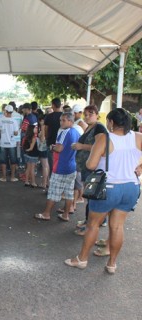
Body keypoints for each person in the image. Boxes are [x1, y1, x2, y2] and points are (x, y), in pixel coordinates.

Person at [65, 108, 142, 274]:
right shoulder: (138, 137)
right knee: (117, 227)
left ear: (112, 122)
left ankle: (82, 259)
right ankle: (112, 264)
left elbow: (91, 165)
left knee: (93, 225)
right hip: (131, 187)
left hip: (108, 187)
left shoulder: (105, 139)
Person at [34, 112, 80, 221]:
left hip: (60, 166)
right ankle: (66, 215)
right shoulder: (76, 132)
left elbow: (59, 149)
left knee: (53, 192)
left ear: (70, 121)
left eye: (63, 120)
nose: (61, 122)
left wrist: (51, 147)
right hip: (71, 166)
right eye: (60, 120)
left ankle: (46, 214)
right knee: (69, 192)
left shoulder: (65, 132)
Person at [71, 105, 107, 235]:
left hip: (93, 167)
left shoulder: (99, 128)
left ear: (97, 114)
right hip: (86, 166)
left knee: (92, 196)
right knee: (91, 196)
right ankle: (91, 221)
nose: (87, 116)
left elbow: (99, 147)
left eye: (90, 113)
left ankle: (91, 223)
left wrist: (81, 146)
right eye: (85, 114)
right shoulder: (90, 127)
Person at [0, 105, 19, 182]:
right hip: (12, 143)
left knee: (3, 161)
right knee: (13, 161)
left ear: (5, 111)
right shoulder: (14, 121)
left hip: (3, 143)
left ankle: (4, 177)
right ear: (12, 112)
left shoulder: (0, 119)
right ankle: (12, 177)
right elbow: (16, 133)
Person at [44, 98, 63, 174]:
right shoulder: (64, 116)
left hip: (51, 142)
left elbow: (46, 129)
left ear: (53, 105)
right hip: (62, 144)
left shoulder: (49, 116)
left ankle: (51, 180)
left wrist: (46, 138)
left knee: (52, 164)